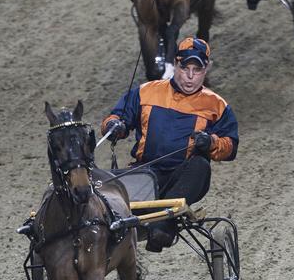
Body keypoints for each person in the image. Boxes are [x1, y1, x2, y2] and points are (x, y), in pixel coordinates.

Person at [101, 37, 238, 252]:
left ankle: (163, 225)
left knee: (201, 166)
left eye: (197, 70)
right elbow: (115, 118)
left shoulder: (217, 105)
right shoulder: (146, 92)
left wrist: (211, 142)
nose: (190, 76)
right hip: (145, 174)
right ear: (175, 64)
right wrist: (114, 126)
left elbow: (230, 147)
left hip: (183, 178)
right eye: (185, 68)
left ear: (206, 69)